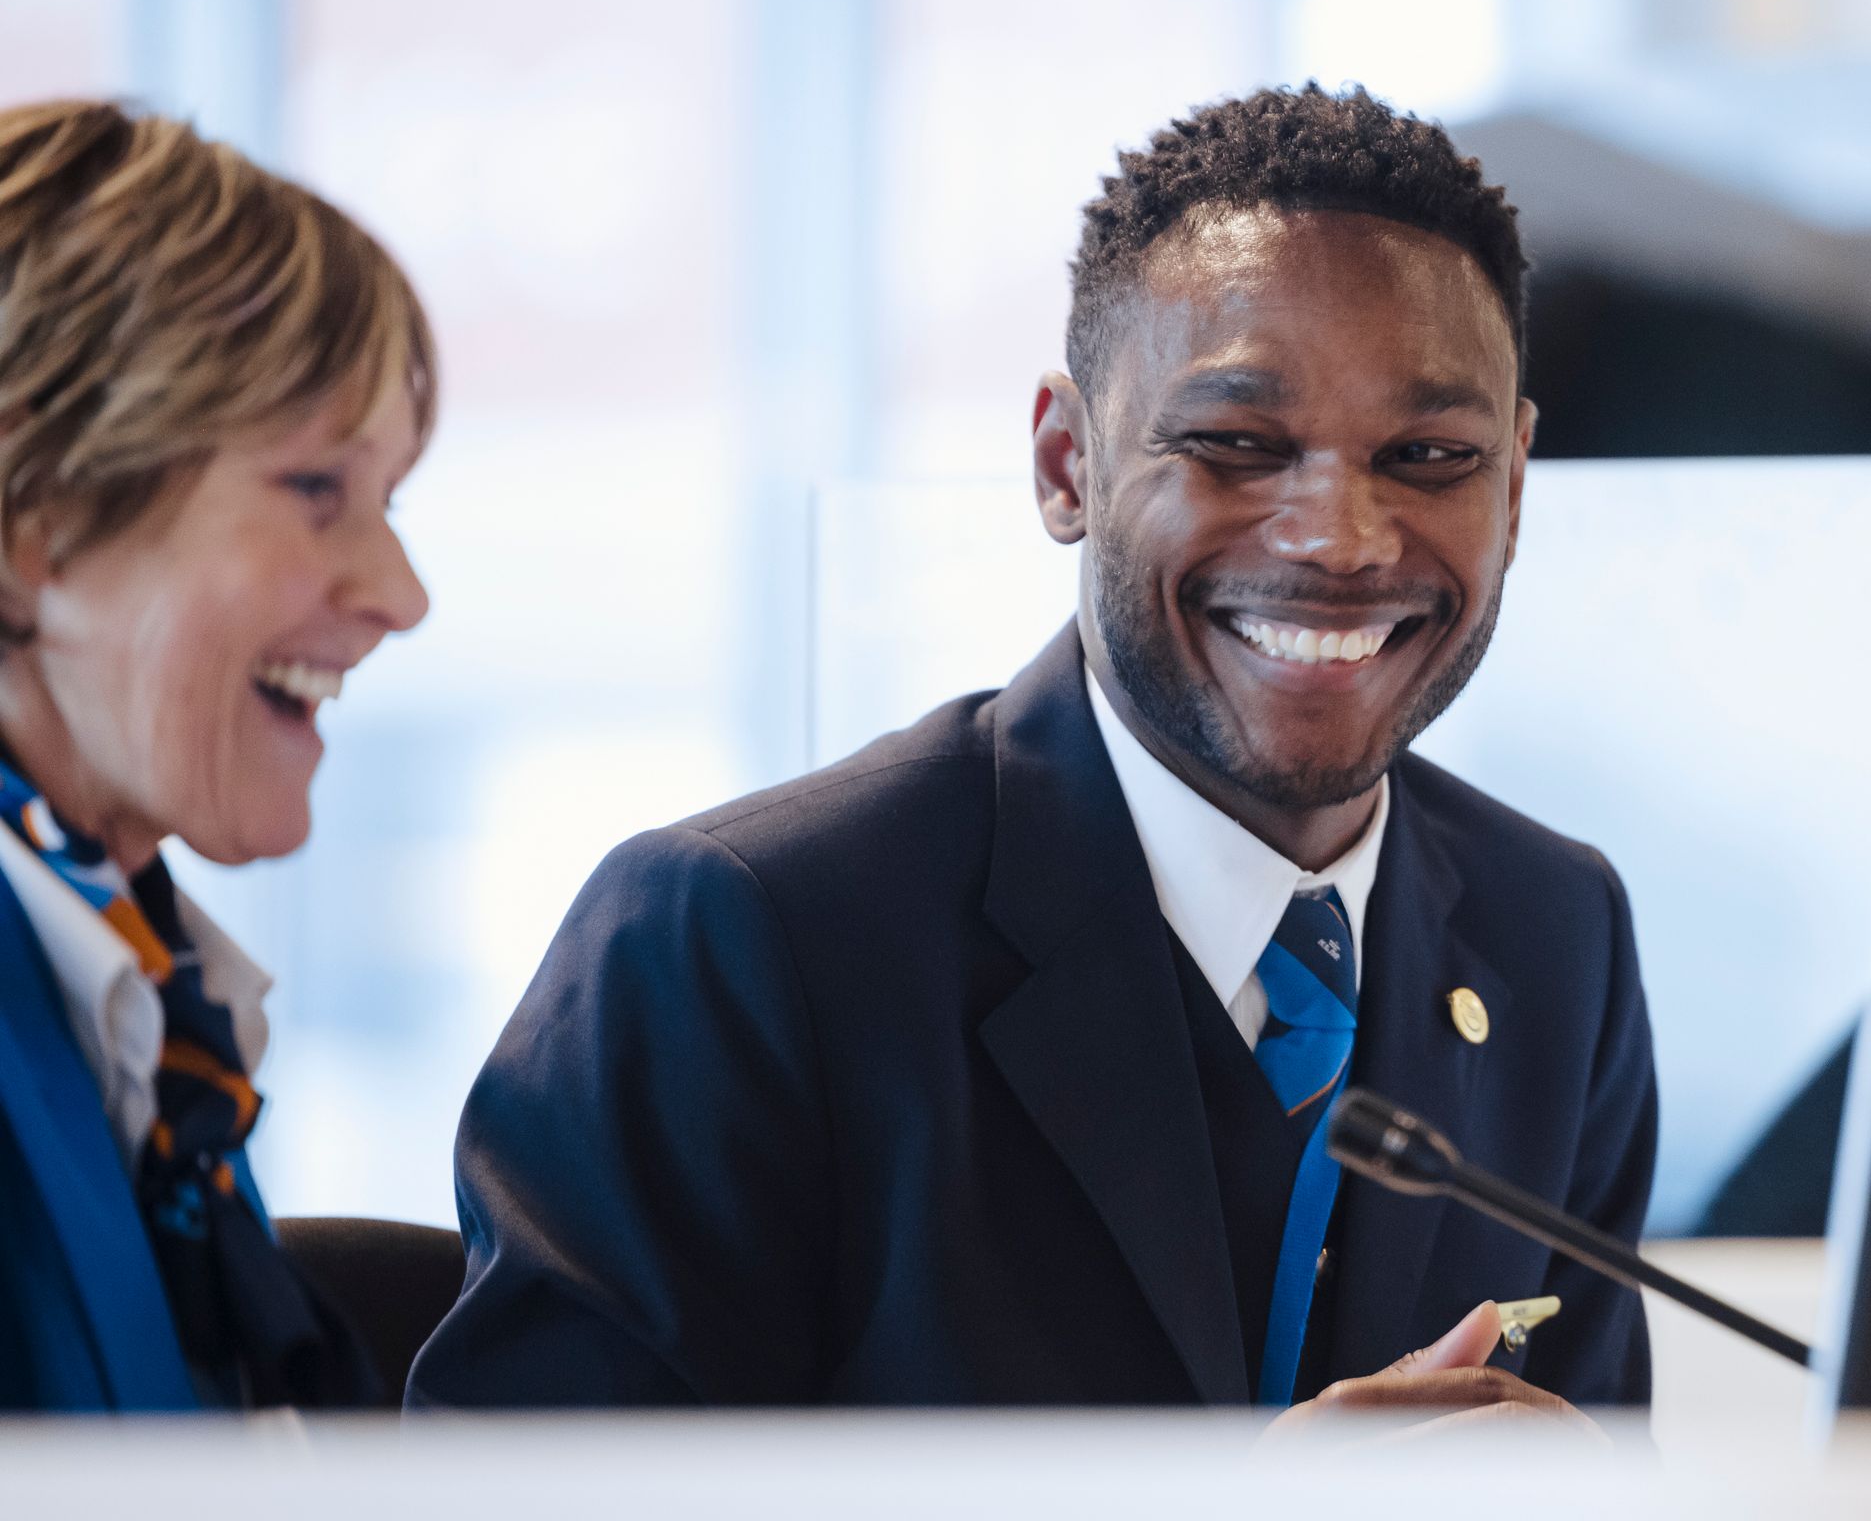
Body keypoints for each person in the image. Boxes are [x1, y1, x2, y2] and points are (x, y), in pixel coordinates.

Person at [414, 86, 1655, 1425]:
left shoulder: (1553, 935)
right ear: (1067, 465)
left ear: (1514, 490)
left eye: (1428, 456)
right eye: (1238, 445)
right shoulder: (737, 939)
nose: (1341, 538)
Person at [0, 100, 435, 1411]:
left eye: (389, 501)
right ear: (37, 523)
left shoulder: (141, 1000)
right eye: (317, 491)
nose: (401, 592)